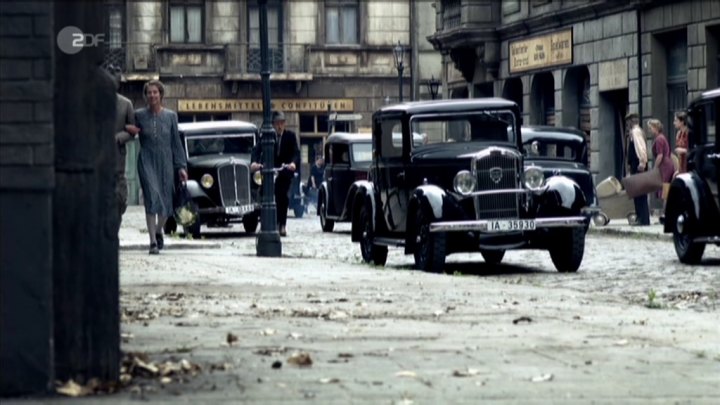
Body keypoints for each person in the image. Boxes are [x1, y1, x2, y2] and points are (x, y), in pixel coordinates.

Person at [135, 80, 188, 254]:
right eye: (149, 93)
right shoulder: (139, 115)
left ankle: (158, 231)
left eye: (155, 92)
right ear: (146, 96)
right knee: (151, 197)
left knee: (166, 201)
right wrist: (129, 130)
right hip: (147, 160)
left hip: (166, 161)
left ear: (161, 94)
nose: (152, 95)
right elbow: (128, 128)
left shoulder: (171, 116)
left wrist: (181, 167)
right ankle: (152, 242)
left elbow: (176, 143)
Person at [250, 111, 299, 237]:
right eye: (277, 123)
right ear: (273, 124)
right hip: (269, 172)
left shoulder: (290, 136)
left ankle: (282, 224)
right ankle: (267, 223)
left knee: (282, 197)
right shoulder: (267, 136)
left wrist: (293, 164)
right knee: (265, 195)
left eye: (282, 123)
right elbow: (257, 149)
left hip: (284, 171)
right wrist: (255, 162)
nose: (279, 126)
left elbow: (296, 153)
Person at [108, 65, 139, 231]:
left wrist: (119, 138)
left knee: (120, 199)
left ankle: (114, 231)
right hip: (96, 159)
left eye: (117, 80)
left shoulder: (126, 104)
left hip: (117, 160)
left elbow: (133, 131)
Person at [624, 113, 650, 226]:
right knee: (637, 193)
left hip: (638, 166)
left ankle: (643, 219)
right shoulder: (633, 132)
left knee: (640, 194)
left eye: (628, 121)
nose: (627, 124)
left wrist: (642, 162)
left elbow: (641, 148)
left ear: (631, 121)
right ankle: (641, 217)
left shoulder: (636, 132)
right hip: (635, 166)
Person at [648, 119, 674, 201]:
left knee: (664, 187)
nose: (650, 130)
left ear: (655, 128)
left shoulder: (659, 139)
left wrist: (655, 167)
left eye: (650, 128)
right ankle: (665, 209)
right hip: (666, 163)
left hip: (664, 165)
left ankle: (666, 210)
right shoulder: (661, 137)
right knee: (664, 187)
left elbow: (660, 155)